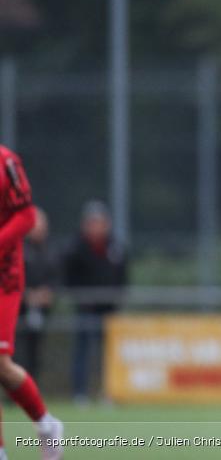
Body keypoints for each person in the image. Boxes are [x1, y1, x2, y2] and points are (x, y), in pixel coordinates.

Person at [0, 145, 63, 460]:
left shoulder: (6, 162)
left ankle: (46, 423)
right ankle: (46, 424)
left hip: (4, 276)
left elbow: (26, 216)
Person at [64, 200, 128, 403]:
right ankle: (80, 393)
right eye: (92, 222)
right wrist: (81, 297)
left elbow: (122, 276)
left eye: (100, 222)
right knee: (82, 350)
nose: (96, 227)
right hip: (86, 308)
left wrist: (116, 297)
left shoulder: (115, 246)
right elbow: (70, 277)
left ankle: (107, 392)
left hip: (108, 307)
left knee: (108, 353)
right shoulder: (76, 247)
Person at [17, 207, 57, 380]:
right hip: (18, 311)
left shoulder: (52, 250)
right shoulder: (18, 248)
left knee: (35, 355)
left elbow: (57, 277)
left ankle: (32, 386)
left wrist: (48, 292)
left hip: (42, 310)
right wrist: (26, 295)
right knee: (15, 354)